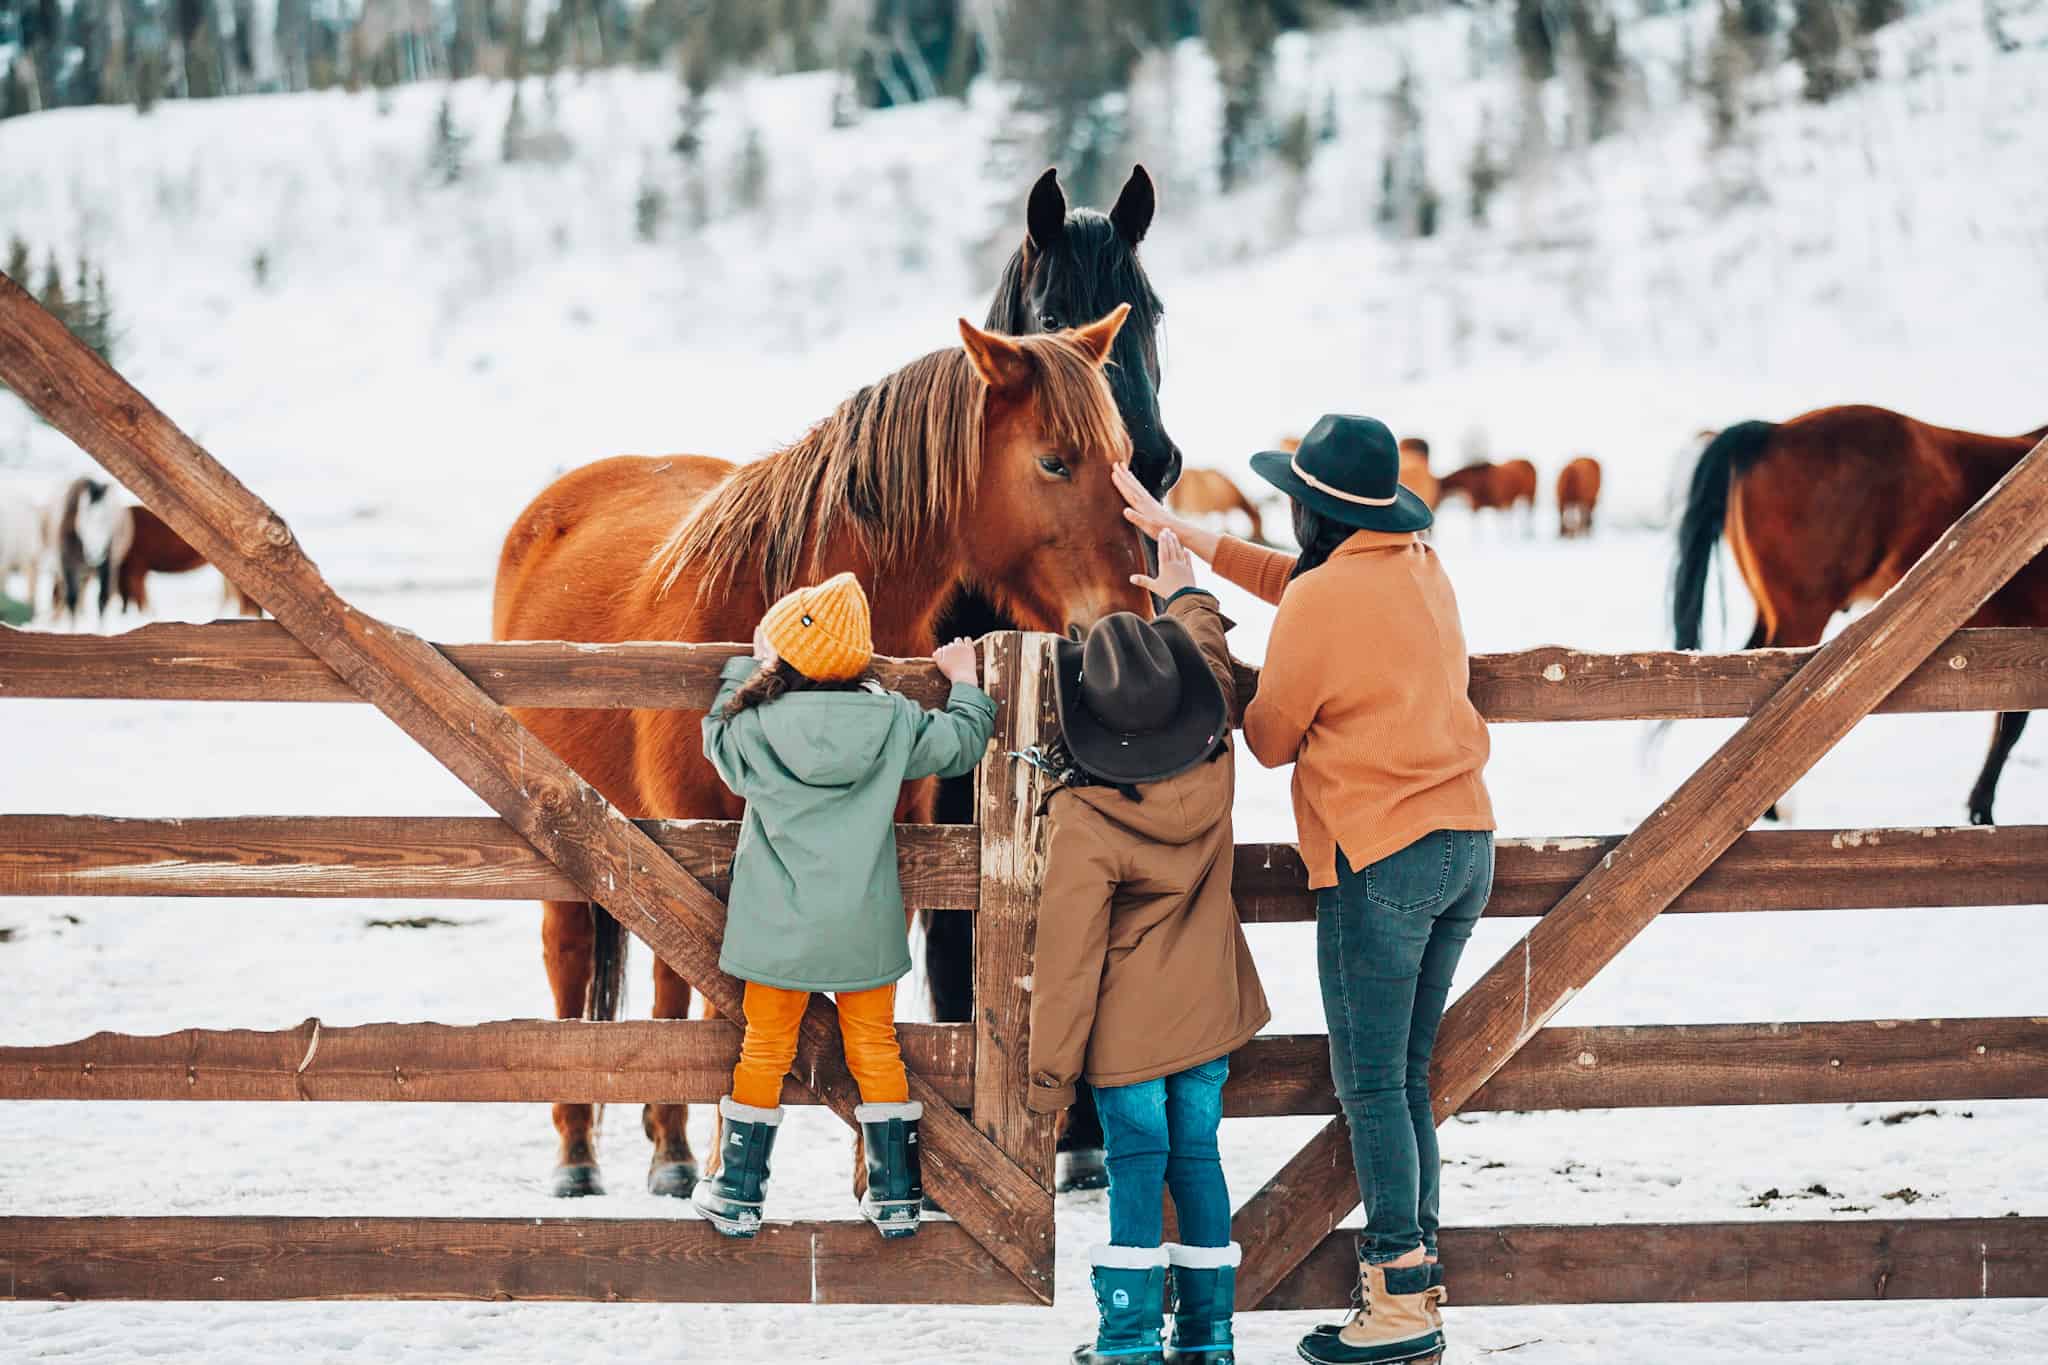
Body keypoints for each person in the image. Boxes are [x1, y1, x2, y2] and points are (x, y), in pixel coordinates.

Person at [1115, 414, 1495, 1365]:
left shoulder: (1324, 602)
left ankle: (1401, 1299)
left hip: (1381, 857)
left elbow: (1273, 735)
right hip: (1465, 844)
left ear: (1312, 508)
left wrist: (1187, 613)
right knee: (1405, 1078)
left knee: (1371, 1083)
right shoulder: (1418, 564)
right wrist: (1185, 535)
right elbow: (1304, 588)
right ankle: (1415, 1284)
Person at [1024, 529, 1270, 1365]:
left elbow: (1065, 957)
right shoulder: (1218, 759)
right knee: (1198, 1158)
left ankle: (1128, 1339)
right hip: (1208, 1014)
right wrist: (1185, 599)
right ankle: (1210, 1336)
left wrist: (1051, 1073)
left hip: (1126, 1042)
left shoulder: (1085, 820)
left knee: (1137, 1165)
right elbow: (1208, 665)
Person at [691, 571, 995, 1240]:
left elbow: (717, 741)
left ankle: (739, 1191)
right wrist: (966, 681)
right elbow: (964, 742)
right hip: (862, 924)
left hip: (778, 931)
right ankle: (895, 1194)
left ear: (788, 654)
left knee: (764, 1047)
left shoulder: (758, 726)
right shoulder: (893, 720)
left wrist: (743, 667)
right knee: (875, 1049)